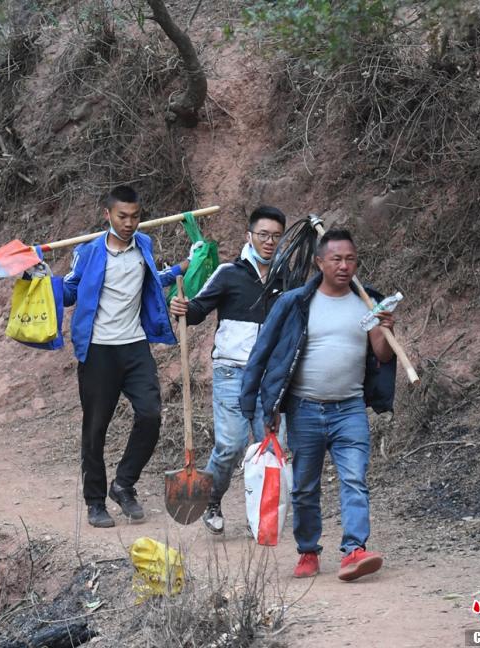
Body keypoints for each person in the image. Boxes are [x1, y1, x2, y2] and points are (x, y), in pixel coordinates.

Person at [240, 229, 397, 581]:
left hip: (350, 408)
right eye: (336, 259)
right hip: (305, 409)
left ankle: (354, 550)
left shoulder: (368, 303)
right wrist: (261, 405)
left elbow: (382, 355)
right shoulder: (296, 303)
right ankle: (308, 551)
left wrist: (386, 327)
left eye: (350, 259)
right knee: (306, 485)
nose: (344, 266)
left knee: (355, 478)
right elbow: (264, 353)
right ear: (319, 262)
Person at [63, 185, 198, 528]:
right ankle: (95, 502)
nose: (129, 223)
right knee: (95, 428)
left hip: (134, 346)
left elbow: (152, 280)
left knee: (151, 415)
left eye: (135, 216)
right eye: (122, 216)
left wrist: (186, 264)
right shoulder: (89, 252)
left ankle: (124, 484)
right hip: (98, 351)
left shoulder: (145, 246)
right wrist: (36, 279)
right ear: (107, 215)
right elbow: (69, 291)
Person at [168, 206, 287, 535]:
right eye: (263, 234)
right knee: (231, 446)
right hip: (232, 374)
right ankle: (211, 499)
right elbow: (197, 310)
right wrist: (181, 308)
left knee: (269, 446)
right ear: (249, 236)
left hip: (270, 378)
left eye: (276, 236)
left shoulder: (286, 277)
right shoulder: (228, 273)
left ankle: (259, 516)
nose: (269, 241)